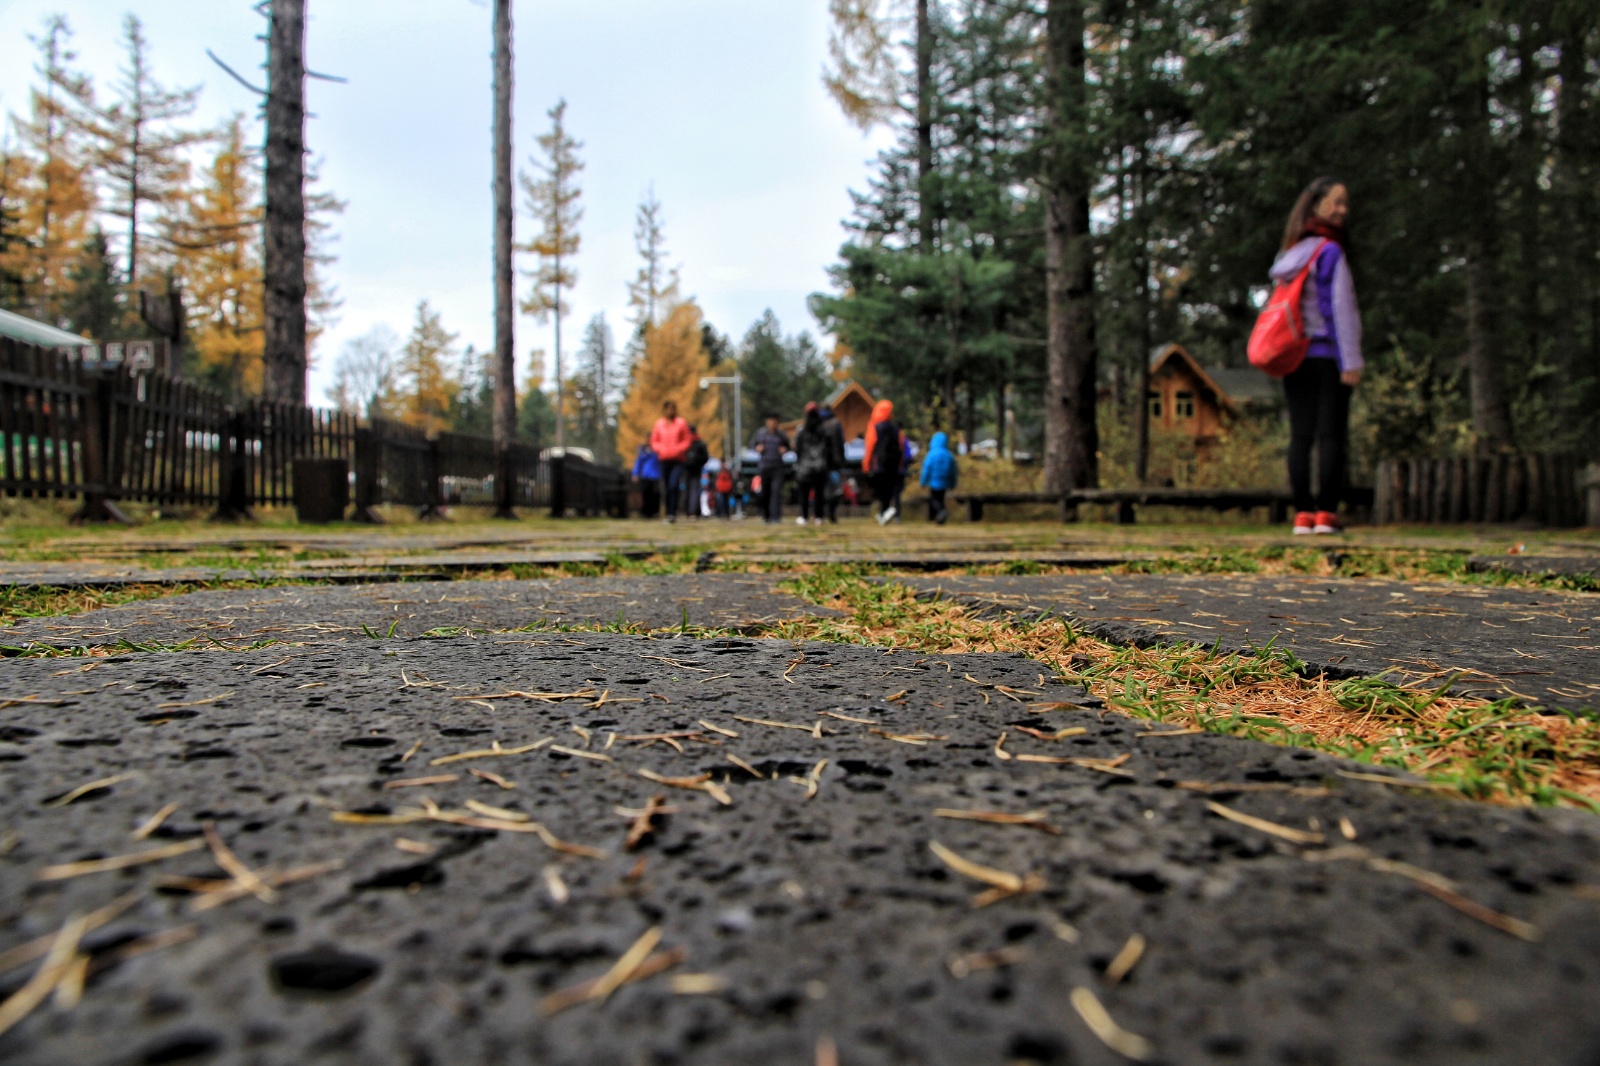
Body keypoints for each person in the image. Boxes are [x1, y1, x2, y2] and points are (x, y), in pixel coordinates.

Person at [1270, 176, 1362, 536]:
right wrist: (1351, 360)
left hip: (1294, 356)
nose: (1342, 210)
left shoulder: (1289, 254)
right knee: (1331, 435)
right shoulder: (1329, 252)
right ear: (1315, 205)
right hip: (1327, 353)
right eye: (1335, 202)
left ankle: (1302, 514)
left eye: (1344, 203)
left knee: (1300, 435)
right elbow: (1342, 309)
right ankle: (1325, 514)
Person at [649, 400, 693, 523]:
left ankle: (673, 512)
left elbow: (687, 440)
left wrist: (679, 449)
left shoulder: (681, 423)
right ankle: (668, 512)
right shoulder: (659, 424)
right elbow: (654, 441)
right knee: (666, 487)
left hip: (678, 459)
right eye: (668, 409)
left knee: (674, 485)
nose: (670, 411)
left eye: (672, 408)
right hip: (664, 459)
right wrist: (660, 449)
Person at [863, 399, 903, 525]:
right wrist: (900, 463)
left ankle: (883, 513)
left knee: (881, 491)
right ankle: (887, 513)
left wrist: (866, 465)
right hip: (893, 464)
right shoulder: (895, 428)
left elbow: (870, 446)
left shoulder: (874, 426)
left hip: (879, 464)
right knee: (890, 490)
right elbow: (901, 446)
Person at [793, 402, 832, 526]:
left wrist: (800, 462)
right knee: (819, 493)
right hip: (821, 467)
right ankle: (818, 516)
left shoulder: (802, 431)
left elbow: (798, 450)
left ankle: (804, 516)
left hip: (805, 467)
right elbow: (829, 449)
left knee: (804, 493)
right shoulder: (825, 430)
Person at [749, 413, 791, 524]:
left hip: (778, 467)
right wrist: (758, 448)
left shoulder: (781, 435)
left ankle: (776, 517)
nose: (772, 424)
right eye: (770, 421)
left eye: (774, 421)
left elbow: (789, 446)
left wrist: (785, 449)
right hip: (765, 466)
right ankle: (766, 515)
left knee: (776, 491)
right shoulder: (760, 433)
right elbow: (752, 445)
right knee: (765, 492)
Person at [919, 430, 959, 524]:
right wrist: (953, 483)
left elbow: (926, 469)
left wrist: (923, 481)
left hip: (934, 481)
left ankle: (941, 512)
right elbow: (953, 471)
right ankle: (939, 517)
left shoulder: (931, 454)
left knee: (934, 499)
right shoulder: (949, 455)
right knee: (940, 498)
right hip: (945, 481)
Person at [818, 404, 846, 523]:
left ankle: (819, 514)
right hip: (834, 461)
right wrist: (842, 459)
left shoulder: (817, 423)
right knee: (836, 488)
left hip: (819, 462)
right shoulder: (836, 423)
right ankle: (832, 511)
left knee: (821, 488)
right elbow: (841, 443)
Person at [683, 425, 710, 519]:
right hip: (697, 469)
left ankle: (687, 511)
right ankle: (693, 511)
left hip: (686, 469)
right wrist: (700, 463)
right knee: (695, 490)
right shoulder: (700, 443)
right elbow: (706, 457)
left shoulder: (685, 443)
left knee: (687, 490)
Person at [631, 442, 660, 518]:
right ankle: (645, 512)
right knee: (645, 494)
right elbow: (638, 463)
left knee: (655, 495)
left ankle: (654, 512)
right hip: (645, 476)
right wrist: (635, 473)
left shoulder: (657, 452)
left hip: (655, 476)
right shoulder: (643, 453)